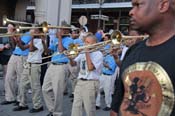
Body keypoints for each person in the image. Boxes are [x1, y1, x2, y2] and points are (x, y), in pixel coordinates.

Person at [111, 0, 175, 116]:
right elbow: (118, 104)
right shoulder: (133, 51)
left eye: (138, 5)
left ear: (163, 5)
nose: (131, 12)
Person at [42, 23, 73, 116]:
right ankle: (52, 110)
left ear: (67, 31)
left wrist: (59, 38)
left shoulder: (69, 40)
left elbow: (61, 50)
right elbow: (47, 52)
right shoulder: (55, 39)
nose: (60, 31)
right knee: (45, 89)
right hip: (52, 65)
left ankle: (57, 113)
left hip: (61, 66)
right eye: (60, 29)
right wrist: (43, 42)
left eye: (63, 29)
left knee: (57, 91)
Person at [13, 28, 46, 113]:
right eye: (33, 31)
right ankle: (22, 104)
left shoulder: (41, 41)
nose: (33, 32)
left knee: (35, 86)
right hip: (28, 63)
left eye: (35, 31)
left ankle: (38, 105)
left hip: (35, 64)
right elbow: (23, 48)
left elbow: (31, 49)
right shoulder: (34, 40)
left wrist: (31, 38)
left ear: (39, 32)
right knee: (22, 84)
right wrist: (18, 41)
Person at [69, 34, 103, 116]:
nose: (85, 44)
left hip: (91, 83)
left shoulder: (98, 54)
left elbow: (90, 67)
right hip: (80, 81)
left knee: (89, 109)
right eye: (85, 42)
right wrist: (70, 58)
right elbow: (73, 64)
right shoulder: (83, 53)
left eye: (87, 42)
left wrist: (87, 51)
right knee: (76, 107)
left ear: (94, 43)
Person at [1, 30, 32, 105]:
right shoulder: (23, 33)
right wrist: (13, 37)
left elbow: (22, 45)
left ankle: (20, 99)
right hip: (14, 54)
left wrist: (17, 38)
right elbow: (15, 46)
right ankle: (10, 98)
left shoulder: (30, 34)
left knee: (20, 79)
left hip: (22, 57)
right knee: (9, 77)